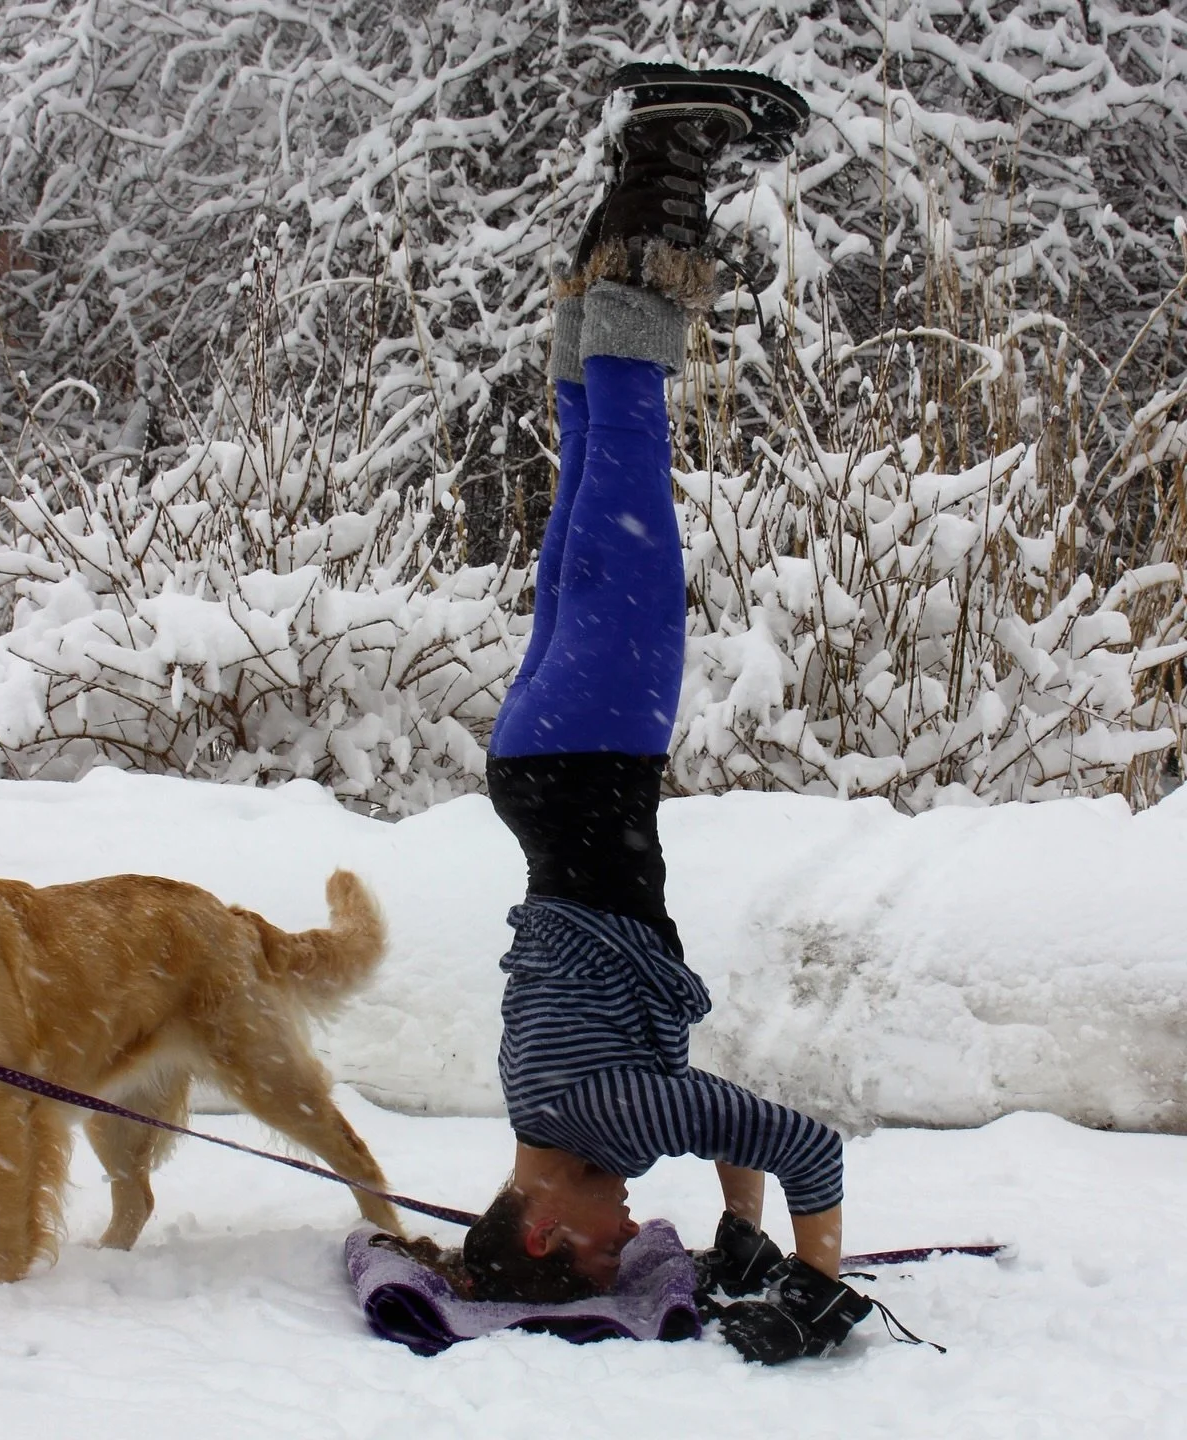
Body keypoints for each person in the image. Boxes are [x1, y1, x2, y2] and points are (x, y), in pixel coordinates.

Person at [458, 62, 876, 1365]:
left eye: (596, 1252)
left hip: (596, 758)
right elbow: (714, 1113)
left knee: (632, 456)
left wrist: (813, 1278)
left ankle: (668, 158)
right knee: (589, 472)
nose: (629, 1230)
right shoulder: (549, 1114)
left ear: (541, 1229)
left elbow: (796, 1141)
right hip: (536, 771)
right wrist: (737, 1228)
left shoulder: (607, 1123)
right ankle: (622, 222)